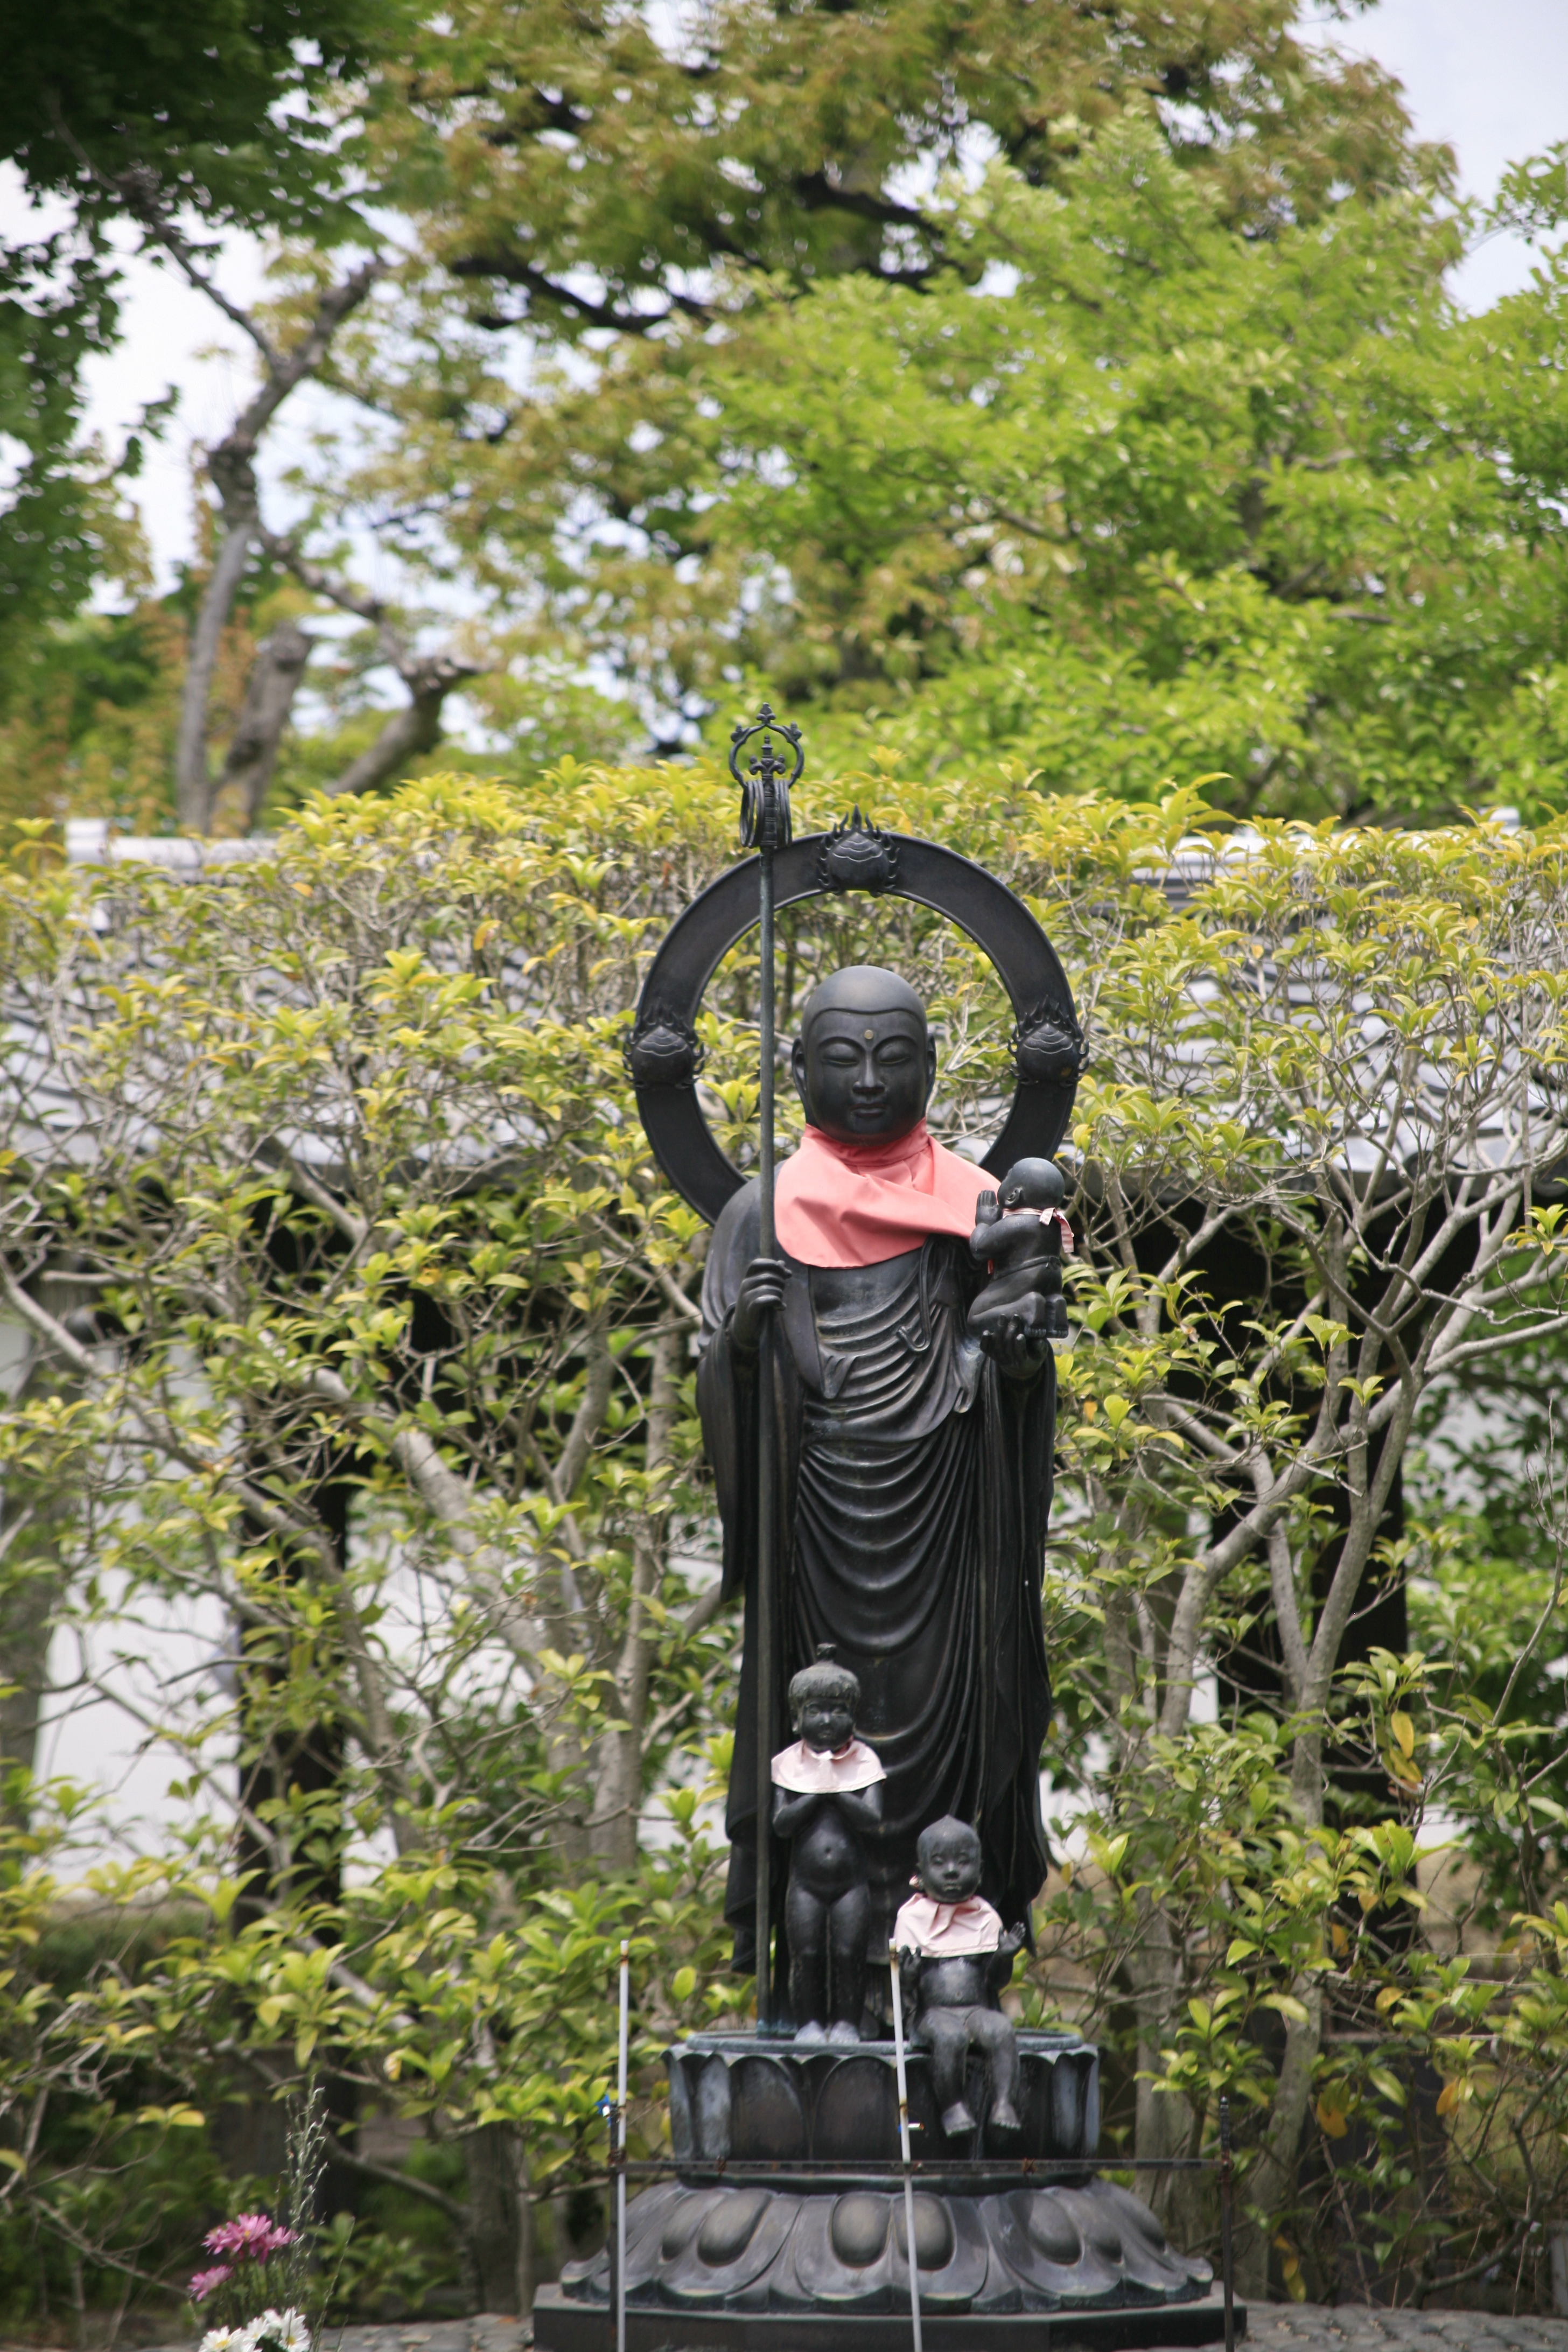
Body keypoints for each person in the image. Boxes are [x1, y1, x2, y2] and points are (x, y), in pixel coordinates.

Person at [697, 964, 1057, 2000]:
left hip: (947, 1506)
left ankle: (947, 1963)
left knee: (959, 1719)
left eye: (893, 1058)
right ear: (796, 1066)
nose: (866, 1080)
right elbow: (723, 1385)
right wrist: (749, 1341)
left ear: (932, 1069)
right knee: (820, 1732)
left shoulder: (977, 1204)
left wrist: (1017, 1355)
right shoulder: (757, 1213)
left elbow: (1011, 1360)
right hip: (817, 1516)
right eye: (840, 1057)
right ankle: (823, 1980)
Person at [772, 1648, 884, 2045]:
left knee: (848, 1953)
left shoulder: (864, 1762)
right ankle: (809, 2024)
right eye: (816, 1711)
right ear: (797, 1717)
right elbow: (781, 1824)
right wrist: (815, 1794)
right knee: (807, 1954)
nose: (825, 1721)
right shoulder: (789, 1764)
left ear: (853, 1717)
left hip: (851, 1883)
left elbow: (872, 1819)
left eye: (837, 1711)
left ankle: (847, 2023)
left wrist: (836, 1791)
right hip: (804, 1883)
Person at [893, 1815, 1027, 2138]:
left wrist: (1003, 1958)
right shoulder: (911, 1918)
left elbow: (994, 1982)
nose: (952, 1871)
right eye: (939, 1863)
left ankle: (1004, 2103)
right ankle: (952, 2105)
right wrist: (908, 1975)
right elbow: (905, 1990)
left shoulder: (984, 1917)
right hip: (934, 2014)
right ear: (921, 1874)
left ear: (980, 1872)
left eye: (963, 1863)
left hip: (977, 2009)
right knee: (950, 2038)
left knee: (1001, 2030)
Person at [968, 1156, 1072, 1346]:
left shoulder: (1017, 1223)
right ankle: (1054, 1304)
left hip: (1024, 1279)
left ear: (1013, 1196)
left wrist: (984, 1222)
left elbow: (979, 1248)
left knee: (975, 1318)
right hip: (1053, 1278)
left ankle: (1024, 1307)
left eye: (1008, 1177)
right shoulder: (1054, 1224)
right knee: (1045, 1297)